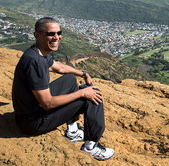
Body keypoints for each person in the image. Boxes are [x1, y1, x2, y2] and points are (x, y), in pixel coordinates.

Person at [12, 17, 114, 161]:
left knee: (69, 79)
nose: (56, 37)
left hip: (30, 112)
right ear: (37, 35)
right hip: (33, 122)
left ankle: (72, 130)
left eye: (59, 33)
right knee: (92, 96)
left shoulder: (38, 53)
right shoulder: (35, 62)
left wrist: (83, 73)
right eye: (50, 34)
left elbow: (59, 67)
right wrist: (82, 92)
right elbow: (47, 103)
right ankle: (91, 146)